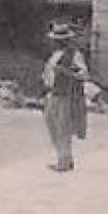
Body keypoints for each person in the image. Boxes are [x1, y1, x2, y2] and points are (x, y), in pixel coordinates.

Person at [41, 22, 88, 172]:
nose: (57, 42)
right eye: (56, 39)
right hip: (52, 92)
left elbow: (83, 75)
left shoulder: (75, 54)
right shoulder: (55, 55)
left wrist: (66, 72)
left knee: (63, 127)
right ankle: (62, 157)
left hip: (66, 94)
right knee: (52, 124)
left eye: (60, 39)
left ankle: (65, 160)